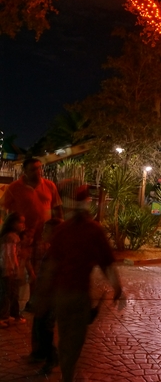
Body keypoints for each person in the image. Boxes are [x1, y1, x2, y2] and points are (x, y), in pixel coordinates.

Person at [47, 185, 123, 381]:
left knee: (64, 335)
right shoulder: (93, 230)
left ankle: (67, 370)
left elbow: (51, 264)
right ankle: (68, 374)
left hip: (61, 293)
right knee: (76, 338)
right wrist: (117, 288)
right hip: (79, 294)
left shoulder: (62, 230)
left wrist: (43, 294)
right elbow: (107, 263)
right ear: (88, 205)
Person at [1, 158, 63, 308]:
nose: (38, 172)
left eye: (39, 168)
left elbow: (57, 209)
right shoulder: (15, 188)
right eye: (33, 169)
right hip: (22, 239)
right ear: (25, 171)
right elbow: (3, 208)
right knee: (18, 273)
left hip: (44, 237)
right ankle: (10, 307)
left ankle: (34, 302)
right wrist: (9, 227)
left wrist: (60, 227)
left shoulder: (49, 186)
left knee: (40, 270)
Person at [28, 218, 63, 374]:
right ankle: (43, 354)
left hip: (51, 299)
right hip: (45, 297)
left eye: (46, 230)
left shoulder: (58, 252)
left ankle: (52, 357)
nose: (43, 233)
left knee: (44, 329)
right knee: (40, 327)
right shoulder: (51, 249)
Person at [0, 212, 27, 327]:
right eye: (20, 222)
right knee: (7, 293)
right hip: (8, 270)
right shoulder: (11, 237)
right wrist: (12, 269)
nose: (22, 225)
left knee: (10, 293)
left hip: (9, 270)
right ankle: (3, 316)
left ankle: (10, 315)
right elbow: (9, 255)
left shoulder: (11, 236)